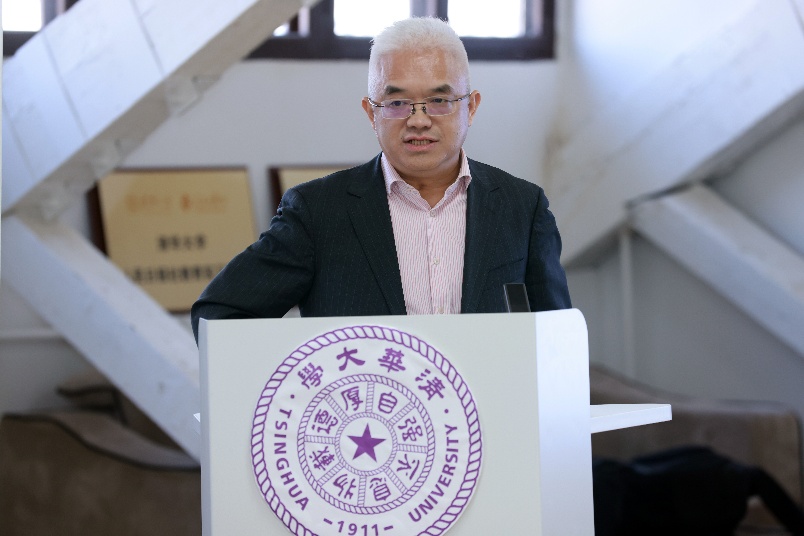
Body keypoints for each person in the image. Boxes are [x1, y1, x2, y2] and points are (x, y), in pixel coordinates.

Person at [191, 17, 571, 341]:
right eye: (396, 103)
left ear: (470, 107)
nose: (418, 120)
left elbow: (557, 337)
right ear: (370, 113)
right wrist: (302, 379)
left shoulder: (523, 208)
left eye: (439, 101)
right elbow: (219, 317)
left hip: (488, 408)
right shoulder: (317, 213)